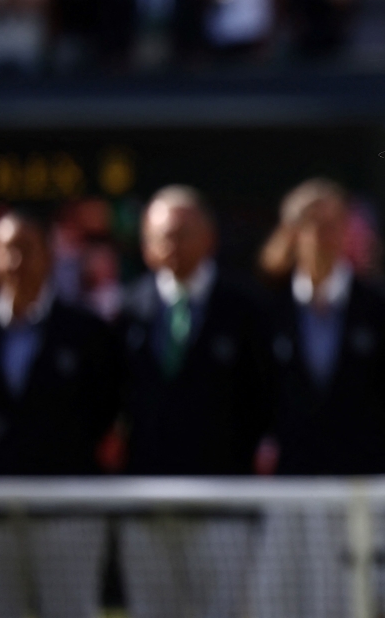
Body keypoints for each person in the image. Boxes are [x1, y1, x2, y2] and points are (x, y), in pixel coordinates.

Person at [116, 185, 270, 618]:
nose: (173, 244)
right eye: (163, 235)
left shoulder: (244, 311)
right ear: (146, 246)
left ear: (209, 238)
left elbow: (263, 400)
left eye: (184, 232)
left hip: (223, 503)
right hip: (146, 503)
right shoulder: (128, 311)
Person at [252, 178, 385, 618]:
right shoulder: (267, 310)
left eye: (333, 223)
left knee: (356, 603)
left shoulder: (378, 306)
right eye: (311, 223)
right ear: (292, 231)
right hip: (288, 490)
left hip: (361, 488)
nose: (323, 233)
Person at [0, 210, 120, 618]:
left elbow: (103, 411)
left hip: (67, 513)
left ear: (49, 257)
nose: (16, 261)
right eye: (6, 250)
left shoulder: (85, 332)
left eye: (27, 250)